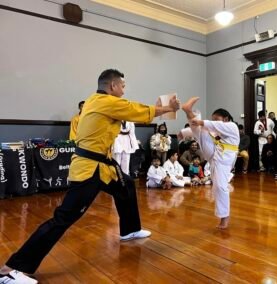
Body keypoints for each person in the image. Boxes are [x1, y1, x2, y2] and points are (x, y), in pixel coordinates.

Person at [0, 69, 180, 283]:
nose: (123, 91)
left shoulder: (98, 102)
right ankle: (12, 269)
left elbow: (130, 111)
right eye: (122, 86)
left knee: (126, 186)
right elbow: (136, 109)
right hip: (89, 169)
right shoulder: (104, 101)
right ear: (112, 86)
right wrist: (170, 108)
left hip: (103, 166)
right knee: (64, 217)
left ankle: (130, 230)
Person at [180, 97, 239, 229]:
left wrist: (200, 121)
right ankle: (188, 110)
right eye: (212, 120)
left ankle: (225, 218)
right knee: (201, 131)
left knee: (220, 187)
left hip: (224, 160)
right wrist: (183, 133)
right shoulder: (215, 129)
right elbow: (201, 129)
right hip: (214, 156)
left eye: (216, 119)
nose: (214, 123)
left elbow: (213, 126)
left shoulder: (232, 126)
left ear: (226, 118)